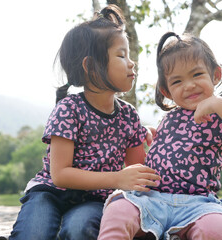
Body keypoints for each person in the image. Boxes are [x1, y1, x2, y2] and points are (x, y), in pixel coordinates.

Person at [9, 5, 160, 240]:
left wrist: (153, 140)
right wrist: (117, 178)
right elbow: (60, 174)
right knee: (33, 233)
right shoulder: (68, 109)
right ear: (90, 66)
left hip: (94, 199)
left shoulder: (129, 117)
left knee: (79, 229)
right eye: (121, 56)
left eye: (129, 56)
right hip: (50, 192)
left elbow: (137, 174)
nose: (132, 64)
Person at [98, 32, 222, 240]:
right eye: (177, 82)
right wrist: (152, 134)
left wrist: (220, 104)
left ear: (215, 75)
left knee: (218, 229)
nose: (188, 85)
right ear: (166, 91)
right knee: (118, 210)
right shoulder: (170, 118)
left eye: (197, 75)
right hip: (151, 199)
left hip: (198, 204)